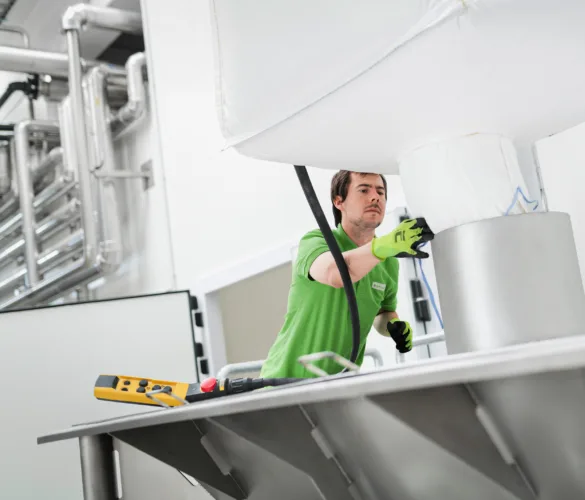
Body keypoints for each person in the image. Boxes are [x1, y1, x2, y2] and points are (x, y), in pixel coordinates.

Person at [260, 170, 434, 379]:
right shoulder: (318, 241)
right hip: (286, 378)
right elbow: (336, 274)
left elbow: (382, 313)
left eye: (380, 191)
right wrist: (385, 245)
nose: (375, 197)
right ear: (338, 201)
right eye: (363, 190)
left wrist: (392, 327)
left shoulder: (388, 263)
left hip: (339, 381)